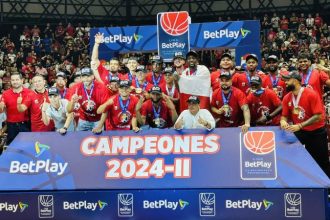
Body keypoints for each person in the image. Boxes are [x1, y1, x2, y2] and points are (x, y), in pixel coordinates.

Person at [280, 71, 330, 178]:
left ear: (296, 81)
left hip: (316, 132)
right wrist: (283, 121)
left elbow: (318, 116)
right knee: (290, 156)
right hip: (301, 131)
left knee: (322, 162)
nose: (285, 83)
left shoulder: (311, 94)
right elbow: (284, 116)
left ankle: (327, 189)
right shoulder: (286, 97)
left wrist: (300, 125)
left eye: (287, 80)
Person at [67, 67, 108, 132]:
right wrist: (72, 101)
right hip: (83, 119)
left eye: (88, 76)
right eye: (84, 76)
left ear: (93, 76)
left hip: (98, 120)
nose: (86, 79)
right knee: (80, 140)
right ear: (81, 77)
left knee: (98, 140)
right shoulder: (75, 88)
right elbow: (69, 110)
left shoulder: (102, 87)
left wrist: (100, 126)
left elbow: (105, 110)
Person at [0, 72, 31, 144]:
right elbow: (2, 108)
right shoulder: (5, 93)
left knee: (27, 146)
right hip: (11, 126)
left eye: (17, 79)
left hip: (26, 125)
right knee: (12, 148)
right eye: (13, 80)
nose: (15, 82)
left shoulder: (29, 92)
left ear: (22, 80)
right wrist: (1, 106)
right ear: (10, 81)